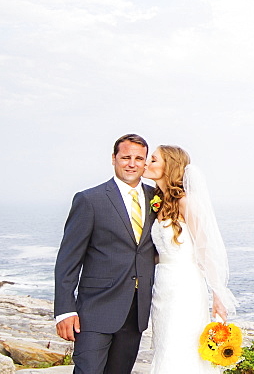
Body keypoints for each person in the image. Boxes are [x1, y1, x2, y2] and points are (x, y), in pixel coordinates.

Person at [54, 134, 158, 374]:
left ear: (145, 163)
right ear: (114, 159)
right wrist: (65, 310)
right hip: (95, 311)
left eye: (138, 158)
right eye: (125, 157)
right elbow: (68, 260)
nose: (132, 163)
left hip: (136, 313)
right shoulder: (90, 200)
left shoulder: (157, 198)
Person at [143, 145, 237, 373]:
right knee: (165, 344)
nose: (147, 163)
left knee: (181, 345)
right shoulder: (158, 202)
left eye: (153, 160)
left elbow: (207, 249)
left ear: (169, 166)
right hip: (162, 285)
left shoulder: (186, 203)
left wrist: (218, 294)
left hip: (185, 285)